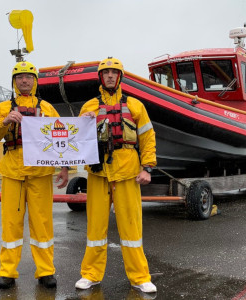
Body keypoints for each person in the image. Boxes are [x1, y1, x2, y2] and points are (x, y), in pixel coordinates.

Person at [0, 61, 69, 290]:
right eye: (20, 77)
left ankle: (46, 271)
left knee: (43, 224)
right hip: (13, 171)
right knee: (11, 224)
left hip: (40, 172)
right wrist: (4, 122)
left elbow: (62, 139)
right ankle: (7, 272)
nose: (24, 80)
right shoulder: (2, 108)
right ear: (14, 80)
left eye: (29, 77)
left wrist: (64, 167)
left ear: (35, 81)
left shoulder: (48, 108)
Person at [75, 57, 157, 293]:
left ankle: (140, 277)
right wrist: (83, 123)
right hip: (98, 173)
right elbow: (77, 140)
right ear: (100, 78)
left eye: (114, 72)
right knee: (95, 229)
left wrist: (147, 167)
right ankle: (90, 274)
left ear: (120, 77)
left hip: (127, 172)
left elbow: (148, 138)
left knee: (132, 228)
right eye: (106, 73)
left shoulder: (135, 105)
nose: (110, 76)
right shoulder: (88, 107)